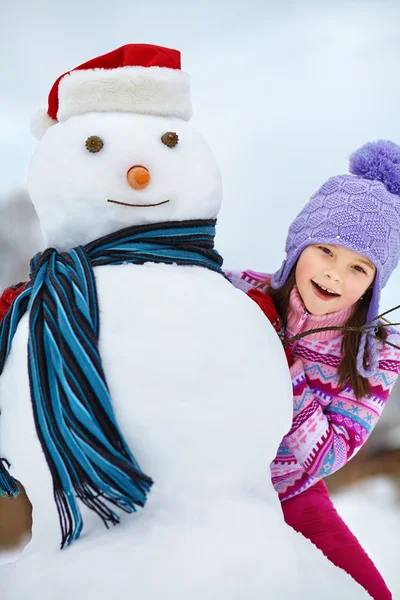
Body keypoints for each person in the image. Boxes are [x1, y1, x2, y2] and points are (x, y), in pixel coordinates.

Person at [227, 139, 400, 599]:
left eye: (359, 268)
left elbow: (326, 456)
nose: (335, 275)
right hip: (208, 476)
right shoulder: (237, 291)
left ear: (373, 287)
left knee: (365, 592)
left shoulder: (375, 355)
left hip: (294, 491)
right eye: (325, 249)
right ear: (298, 243)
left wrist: (283, 361)